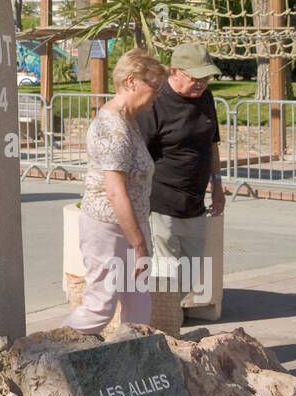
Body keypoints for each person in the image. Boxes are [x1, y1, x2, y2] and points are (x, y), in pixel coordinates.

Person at [63, 49, 167, 333]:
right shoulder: (112, 126)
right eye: (154, 86)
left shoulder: (128, 120)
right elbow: (115, 191)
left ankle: (135, 358)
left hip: (129, 225)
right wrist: (139, 245)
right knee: (100, 306)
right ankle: (48, 352)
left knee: (138, 302)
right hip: (107, 227)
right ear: (131, 82)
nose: (158, 94)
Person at [137, 42, 225, 306]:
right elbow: (139, 153)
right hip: (161, 200)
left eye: (206, 77)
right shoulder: (156, 101)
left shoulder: (205, 98)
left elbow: (212, 144)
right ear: (175, 71)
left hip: (194, 202)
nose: (202, 83)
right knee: (166, 274)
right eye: (195, 77)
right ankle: (164, 326)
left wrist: (217, 186)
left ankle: (169, 316)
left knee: (189, 274)